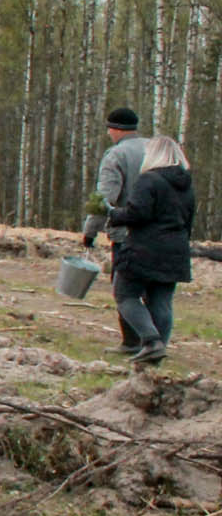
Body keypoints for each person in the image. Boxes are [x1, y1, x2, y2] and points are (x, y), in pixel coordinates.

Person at [106, 136, 196, 366]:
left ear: (153, 155)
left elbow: (138, 213)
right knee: (162, 302)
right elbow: (188, 222)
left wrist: (114, 215)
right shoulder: (187, 187)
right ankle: (156, 354)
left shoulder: (149, 180)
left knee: (125, 295)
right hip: (176, 250)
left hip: (144, 249)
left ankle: (150, 340)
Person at [84, 106, 151, 353]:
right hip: (158, 234)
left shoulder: (116, 155)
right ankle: (155, 339)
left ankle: (132, 342)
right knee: (153, 291)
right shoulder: (154, 150)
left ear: (115, 129)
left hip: (126, 234)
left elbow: (104, 198)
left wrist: (90, 230)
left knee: (124, 290)